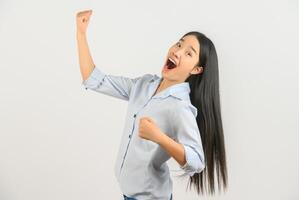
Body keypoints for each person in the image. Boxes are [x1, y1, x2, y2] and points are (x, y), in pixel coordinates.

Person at [76, 9, 228, 200]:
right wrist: (81, 34)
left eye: (189, 53)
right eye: (179, 44)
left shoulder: (180, 107)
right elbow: (94, 80)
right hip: (128, 194)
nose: (178, 51)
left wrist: (159, 137)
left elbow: (197, 162)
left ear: (196, 69)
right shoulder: (143, 85)